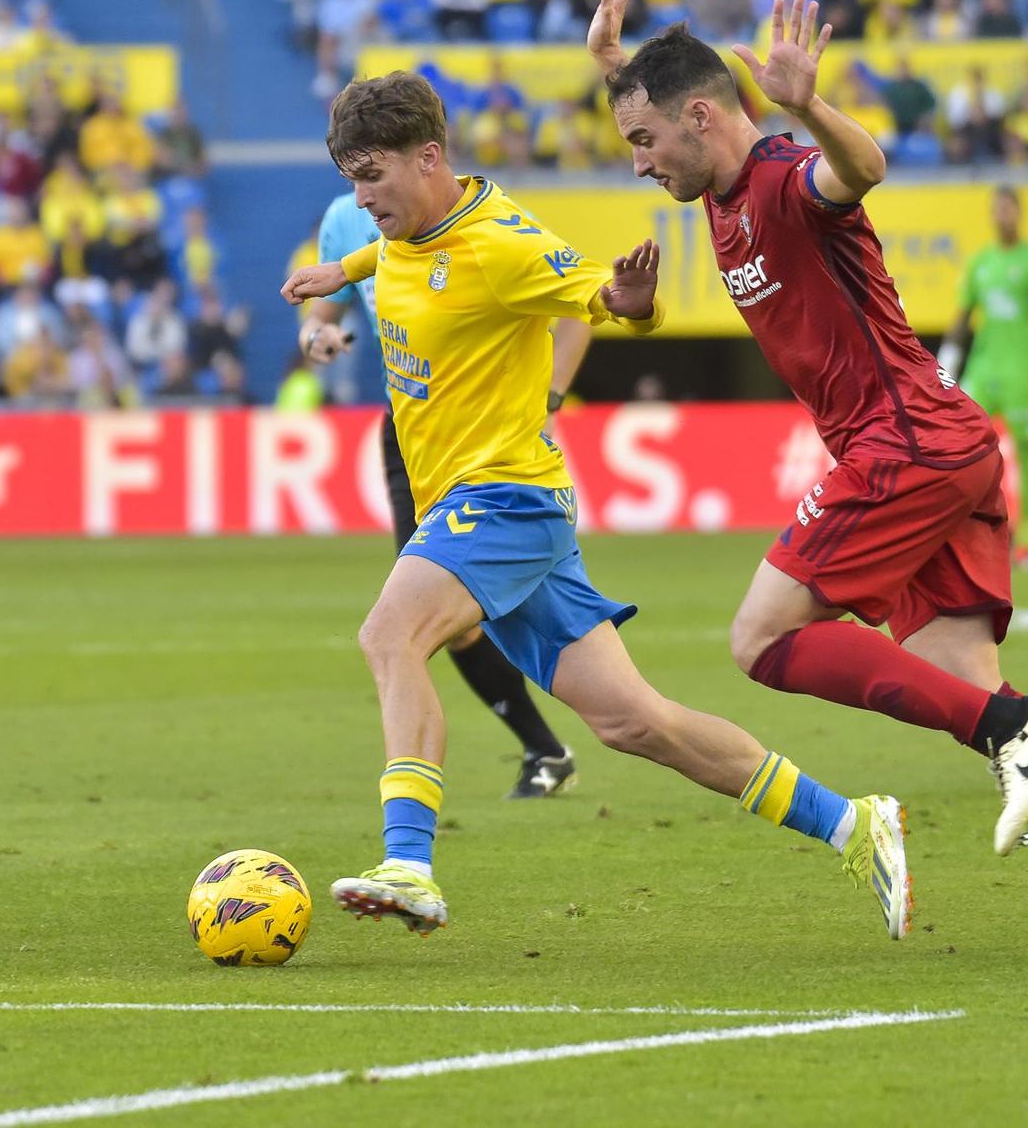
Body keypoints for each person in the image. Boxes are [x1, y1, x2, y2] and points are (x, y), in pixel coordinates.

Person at [587, 0, 1028, 965]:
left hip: (906, 445)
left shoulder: (782, 178)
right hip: (938, 446)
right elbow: (675, 88)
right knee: (968, 696)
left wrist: (814, 106)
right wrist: (614, 62)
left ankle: (1021, 725)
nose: (634, 160)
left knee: (761, 636)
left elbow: (860, 170)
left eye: (640, 139)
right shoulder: (709, 179)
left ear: (703, 120)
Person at [282, 71, 910, 941]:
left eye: (372, 177)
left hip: (503, 498)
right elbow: (390, 260)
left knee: (390, 635)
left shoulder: (503, 242)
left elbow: (595, 293)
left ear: (430, 159)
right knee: (633, 721)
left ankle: (409, 863)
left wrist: (633, 302)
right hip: (483, 504)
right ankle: (852, 821)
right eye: (352, 180)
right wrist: (334, 268)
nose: (361, 198)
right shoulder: (401, 233)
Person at [298, 189, 592, 798]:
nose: (364, 185)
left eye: (375, 166)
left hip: (488, 436)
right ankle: (545, 749)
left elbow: (578, 307)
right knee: (439, 625)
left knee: (415, 625)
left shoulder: (482, 229)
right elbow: (323, 315)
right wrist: (315, 338)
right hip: (411, 429)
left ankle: (420, 839)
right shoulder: (342, 222)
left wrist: (551, 400)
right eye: (355, 169)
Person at [938, 187, 1028, 567]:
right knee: (962, 443)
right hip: (985, 368)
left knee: (1026, 452)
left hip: (1024, 374)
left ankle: (1025, 538)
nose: (1001, 215)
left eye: (1008, 208)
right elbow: (962, 317)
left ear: (1019, 213)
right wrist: (946, 362)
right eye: (996, 209)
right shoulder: (981, 263)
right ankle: (977, 528)